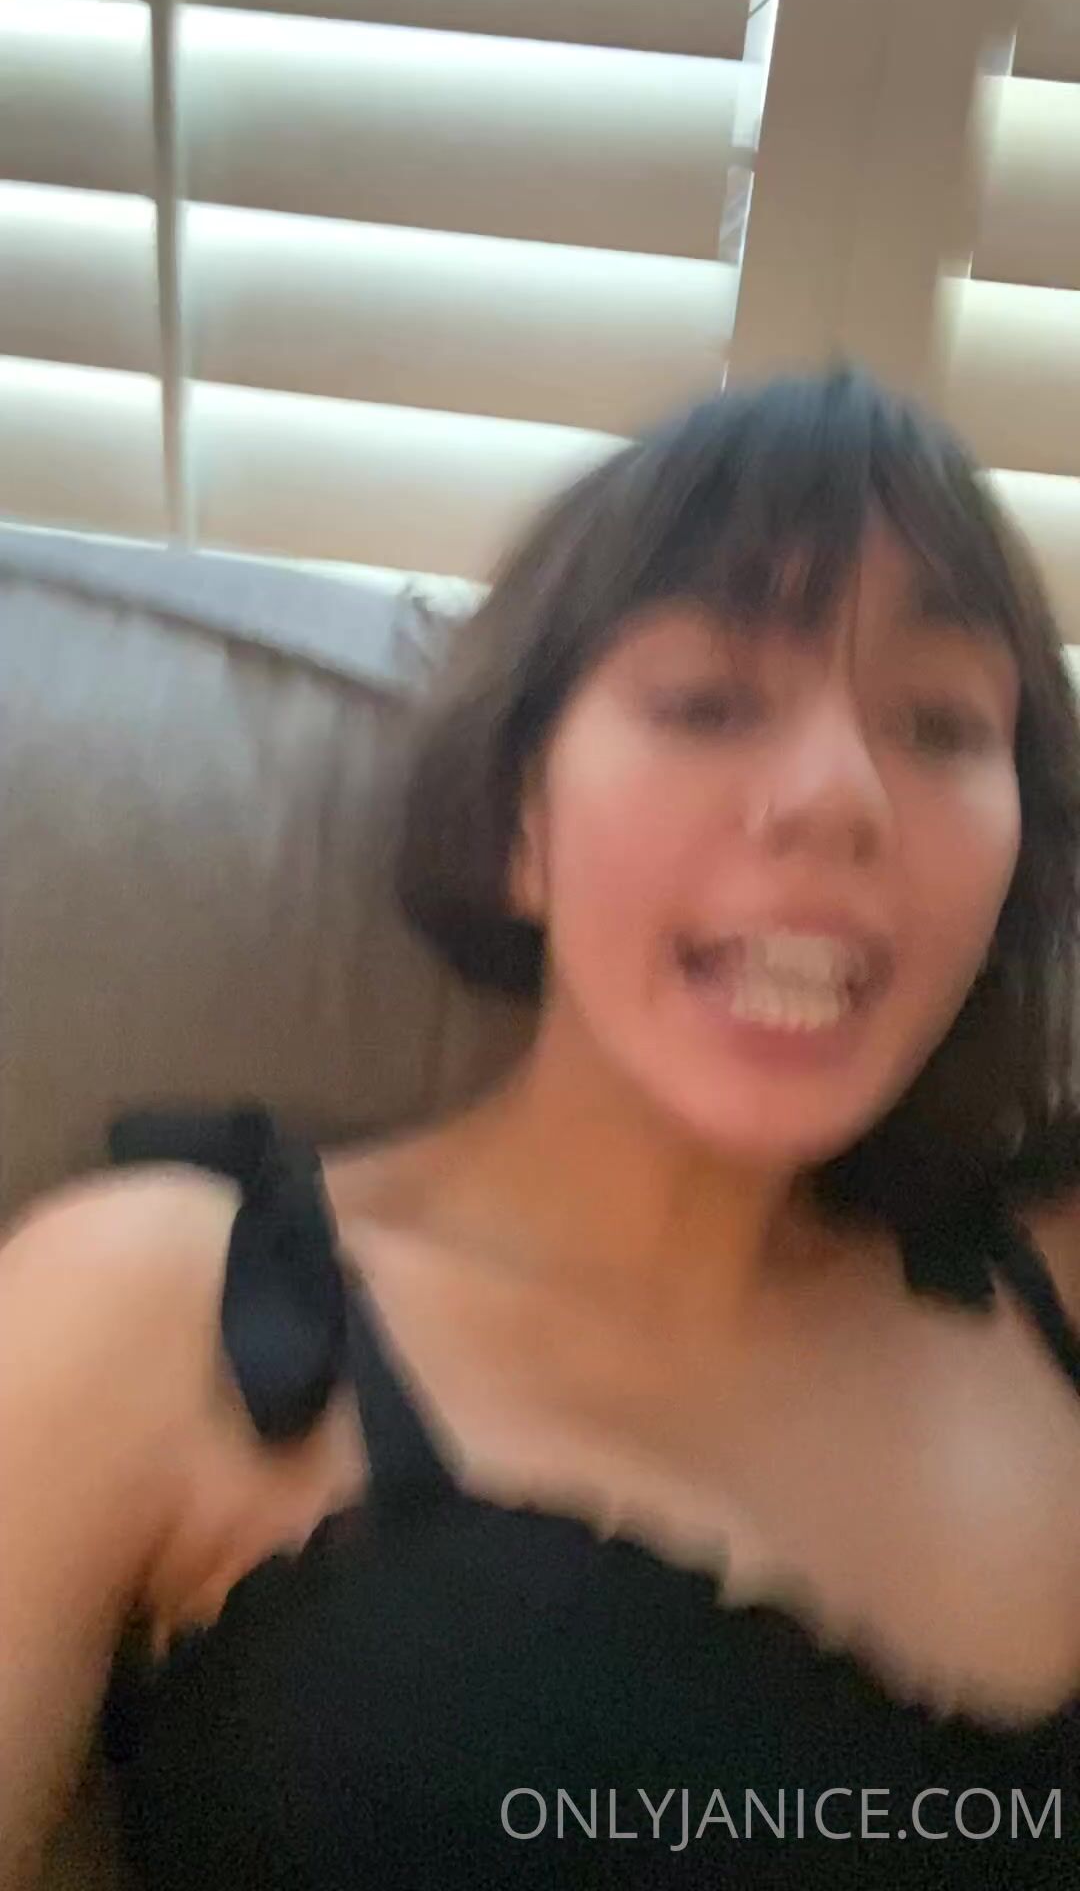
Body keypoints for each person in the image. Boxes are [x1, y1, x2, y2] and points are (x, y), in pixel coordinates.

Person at [3, 367, 1080, 1890]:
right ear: (522, 821)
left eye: (944, 725)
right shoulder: (155, 1302)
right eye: (709, 701)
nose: (842, 796)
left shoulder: (1051, 1280)